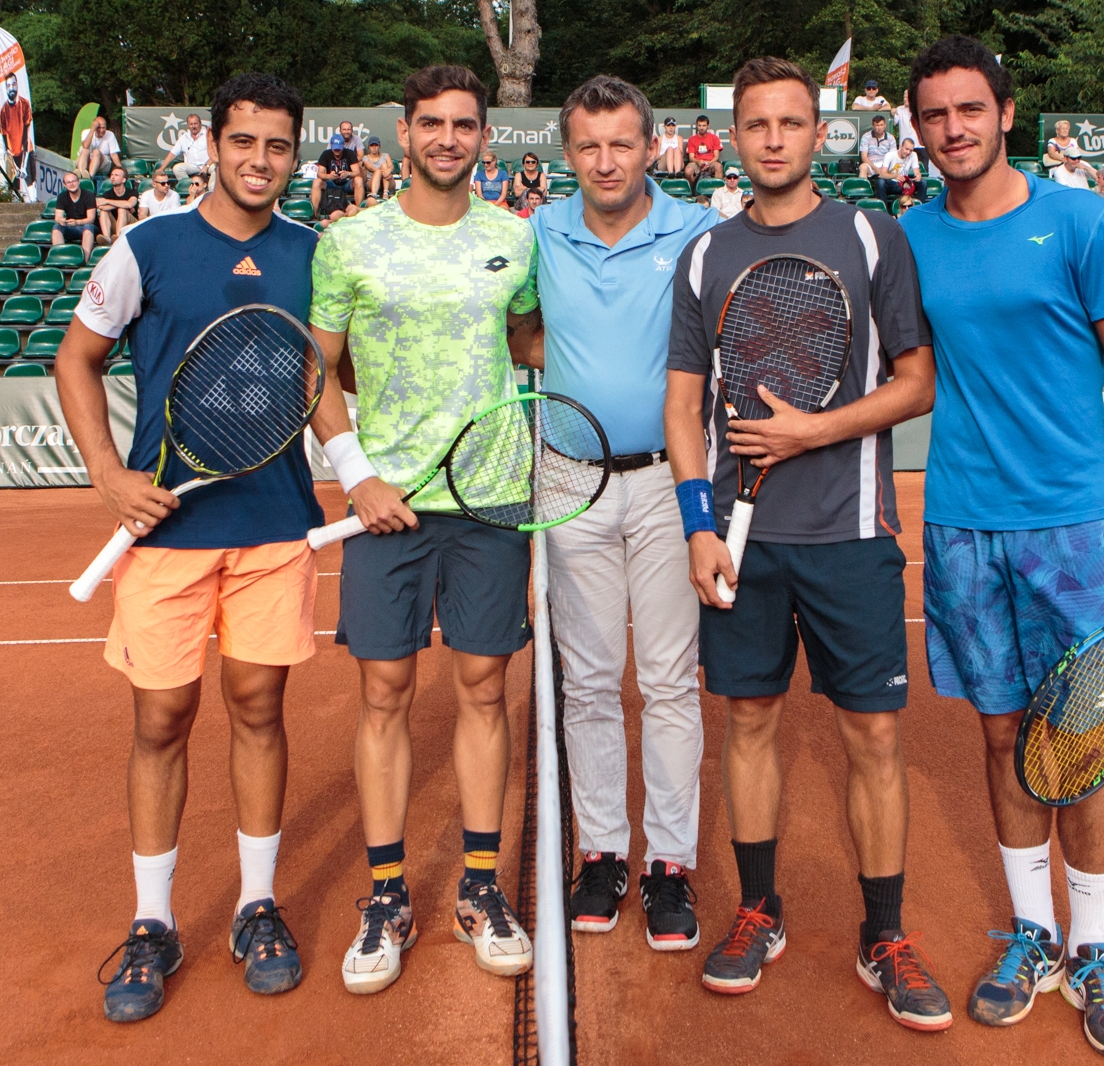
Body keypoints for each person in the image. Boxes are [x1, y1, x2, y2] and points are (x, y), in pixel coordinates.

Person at [899, 36, 1104, 1061]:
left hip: (1072, 525)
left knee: (1080, 740)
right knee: (998, 735)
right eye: (932, 115)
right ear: (916, 128)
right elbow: (913, 377)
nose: (952, 130)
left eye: (968, 110)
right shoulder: (909, 237)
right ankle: (1029, 934)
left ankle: (1093, 944)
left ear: (1005, 113)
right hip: (962, 523)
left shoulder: (1079, 219)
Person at [664, 55, 948, 1027]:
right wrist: (697, 522)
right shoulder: (704, 256)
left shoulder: (874, 239)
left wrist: (807, 432)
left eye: (792, 122)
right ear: (734, 137)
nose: (775, 139)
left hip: (850, 536)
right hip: (741, 544)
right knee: (747, 725)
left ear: (819, 132)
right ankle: (757, 908)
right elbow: (681, 402)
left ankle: (885, 930)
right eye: (757, 125)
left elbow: (916, 381)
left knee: (871, 734)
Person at [55, 71, 319, 1025]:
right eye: (244, 141)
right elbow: (75, 356)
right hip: (166, 530)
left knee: (258, 704)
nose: (260, 160)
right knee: (161, 717)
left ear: (295, 152)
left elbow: (328, 376)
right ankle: (154, 920)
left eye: (278, 145)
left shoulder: (312, 254)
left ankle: (256, 903)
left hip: (274, 524)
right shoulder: (147, 245)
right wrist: (106, 475)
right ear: (214, 142)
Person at [305, 64, 541, 996]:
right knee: (385, 691)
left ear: (486, 137)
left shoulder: (514, 239)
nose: (448, 138)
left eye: (465, 125)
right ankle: (389, 893)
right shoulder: (348, 241)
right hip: (385, 505)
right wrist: (357, 477)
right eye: (431, 124)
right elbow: (317, 369)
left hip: (490, 497)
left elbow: (530, 342)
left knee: (484, 689)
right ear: (403, 133)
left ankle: (481, 886)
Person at [529, 76, 721, 950]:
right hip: (569, 478)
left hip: (669, 481)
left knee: (671, 679)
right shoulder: (539, 232)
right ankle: (603, 850)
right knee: (592, 679)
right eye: (588, 147)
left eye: (621, 144)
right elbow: (515, 331)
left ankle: (669, 864)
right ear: (567, 155)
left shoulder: (698, 232)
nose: (606, 162)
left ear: (652, 147)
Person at [314, 133, 362, 219]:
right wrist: (329, 176)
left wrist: (348, 173)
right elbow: (319, 174)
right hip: (331, 183)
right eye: (335, 148)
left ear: (343, 145)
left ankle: (358, 211)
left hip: (347, 183)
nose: (337, 151)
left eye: (339, 148)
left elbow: (357, 172)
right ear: (331, 146)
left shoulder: (350, 153)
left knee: (358, 180)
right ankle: (315, 213)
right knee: (317, 182)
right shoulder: (326, 154)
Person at [0, 75, 34, 185]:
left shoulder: (25, 104)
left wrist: (23, 165)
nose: (11, 88)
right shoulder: (3, 111)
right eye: (8, 85)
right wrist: (11, 162)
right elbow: (5, 142)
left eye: (13, 84)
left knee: (30, 188)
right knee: (13, 190)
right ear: (6, 88)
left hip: (26, 153)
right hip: (12, 156)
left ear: (17, 84)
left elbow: (26, 137)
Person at [53, 171, 98, 254]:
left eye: (73, 181)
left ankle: (84, 260)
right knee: (57, 227)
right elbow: (57, 217)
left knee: (88, 227)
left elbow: (91, 219)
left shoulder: (89, 195)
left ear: (78, 182)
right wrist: (61, 220)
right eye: (68, 182)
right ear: (65, 185)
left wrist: (77, 222)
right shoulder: (62, 196)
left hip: (88, 227)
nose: (71, 184)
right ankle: (60, 257)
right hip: (71, 227)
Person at [157, 114, 210, 184]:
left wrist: (206, 166)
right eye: (191, 124)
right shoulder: (183, 138)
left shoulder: (208, 135)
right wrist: (161, 168)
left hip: (208, 164)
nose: (193, 126)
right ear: (188, 125)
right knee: (177, 168)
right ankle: (190, 187)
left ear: (200, 123)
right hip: (192, 165)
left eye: (195, 123)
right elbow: (173, 153)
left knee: (217, 169)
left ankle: (211, 191)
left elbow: (216, 153)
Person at [859, 114, 897, 201]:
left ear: (885, 125)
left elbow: (892, 157)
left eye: (881, 125)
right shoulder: (866, 137)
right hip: (871, 163)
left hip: (886, 164)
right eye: (877, 125)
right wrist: (875, 168)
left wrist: (884, 168)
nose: (879, 127)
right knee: (862, 167)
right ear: (873, 126)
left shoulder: (891, 138)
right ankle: (863, 195)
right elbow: (864, 157)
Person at [98, 165, 141, 241]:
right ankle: (107, 238)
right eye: (112, 175)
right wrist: (122, 204)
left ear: (123, 180)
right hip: (115, 224)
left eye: (116, 175)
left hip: (132, 225)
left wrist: (108, 202)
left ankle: (118, 238)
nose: (113, 177)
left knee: (122, 210)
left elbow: (130, 204)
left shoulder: (132, 192)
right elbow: (101, 206)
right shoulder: (107, 194)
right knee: (104, 211)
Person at [894, 90, 926, 172]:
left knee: (923, 171)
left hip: (920, 146)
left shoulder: (921, 109)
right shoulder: (899, 110)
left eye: (907, 97)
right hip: (905, 147)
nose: (905, 99)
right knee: (904, 171)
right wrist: (892, 112)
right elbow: (893, 122)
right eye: (904, 97)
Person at [685, 115, 723, 182]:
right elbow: (691, 157)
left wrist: (709, 163)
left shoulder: (714, 138)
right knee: (688, 171)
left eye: (704, 125)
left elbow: (716, 156)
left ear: (708, 125)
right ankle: (694, 190)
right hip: (697, 162)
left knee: (718, 166)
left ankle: (717, 190)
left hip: (711, 162)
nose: (701, 128)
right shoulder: (692, 139)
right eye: (699, 125)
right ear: (697, 125)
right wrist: (698, 161)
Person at [360, 137, 395, 202]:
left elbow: (391, 166)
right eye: (372, 145)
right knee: (378, 171)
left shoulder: (385, 155)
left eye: (376, 145)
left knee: (384, 165)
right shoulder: (365, 158)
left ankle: (385, 193)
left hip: (386, 181)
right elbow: (371, 168)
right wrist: (382, 172)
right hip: (372, 182)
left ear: (379, 146)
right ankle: (374, 193)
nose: (374, 147)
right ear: (369, 147)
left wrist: (388, 171)